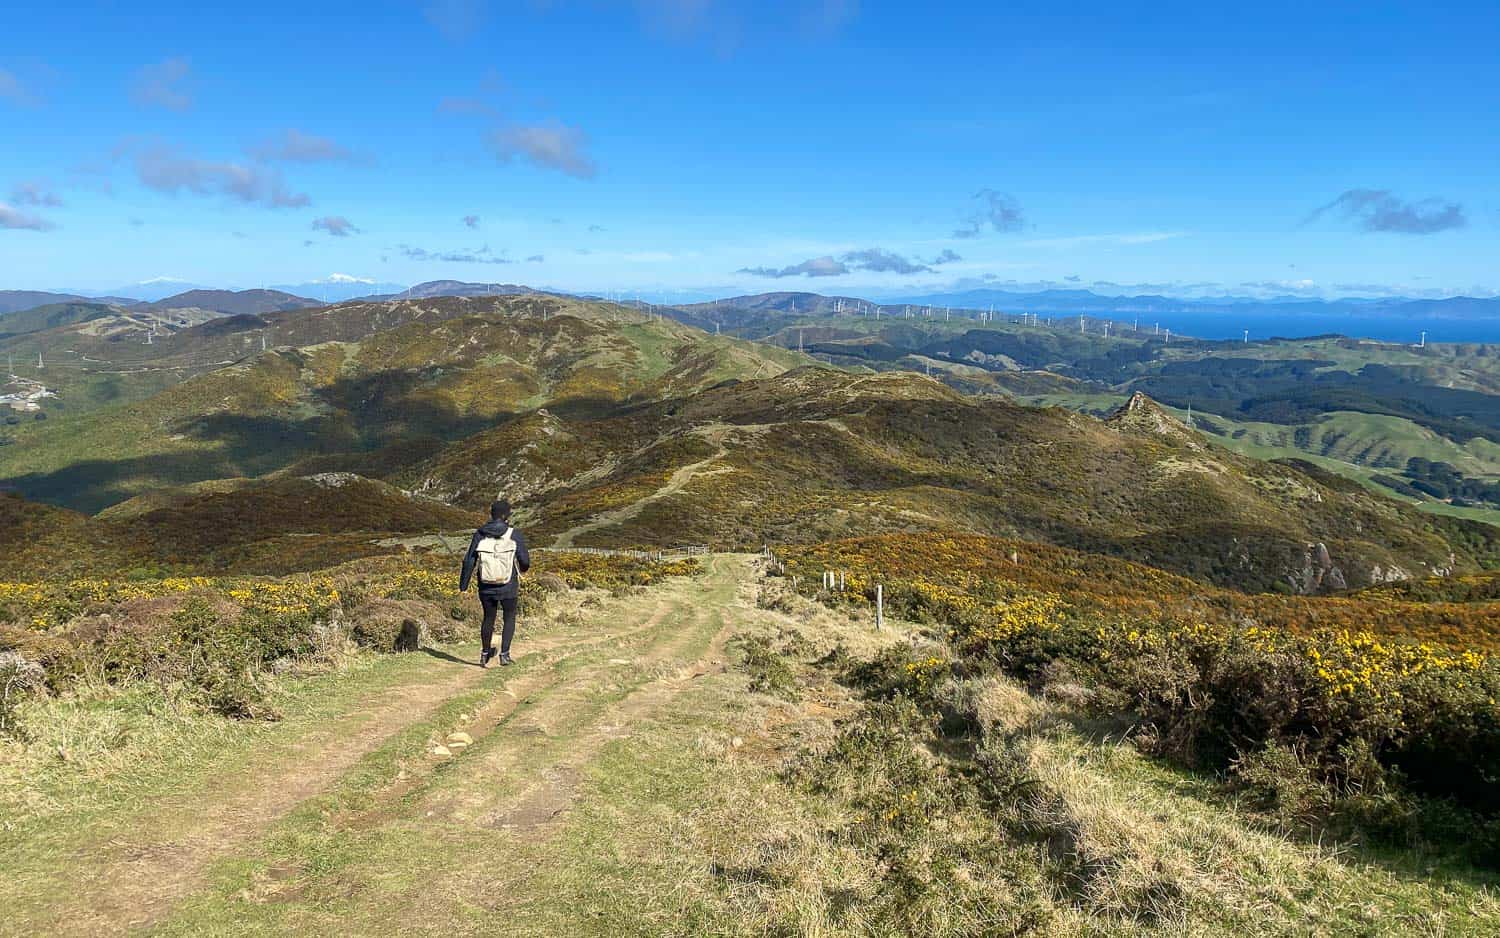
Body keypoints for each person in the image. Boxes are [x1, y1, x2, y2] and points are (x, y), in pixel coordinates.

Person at [459, 499, 531, 667]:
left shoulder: (480, 534)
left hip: (486, 586)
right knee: (509, 617)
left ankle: (485, 654)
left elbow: (469, 561)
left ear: (492, 515)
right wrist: (523, 569)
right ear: (506, 516)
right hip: (508, 585)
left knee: (488, 618)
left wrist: (463, 585)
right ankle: (504, 655)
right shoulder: (514, 534)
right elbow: (525, 561)